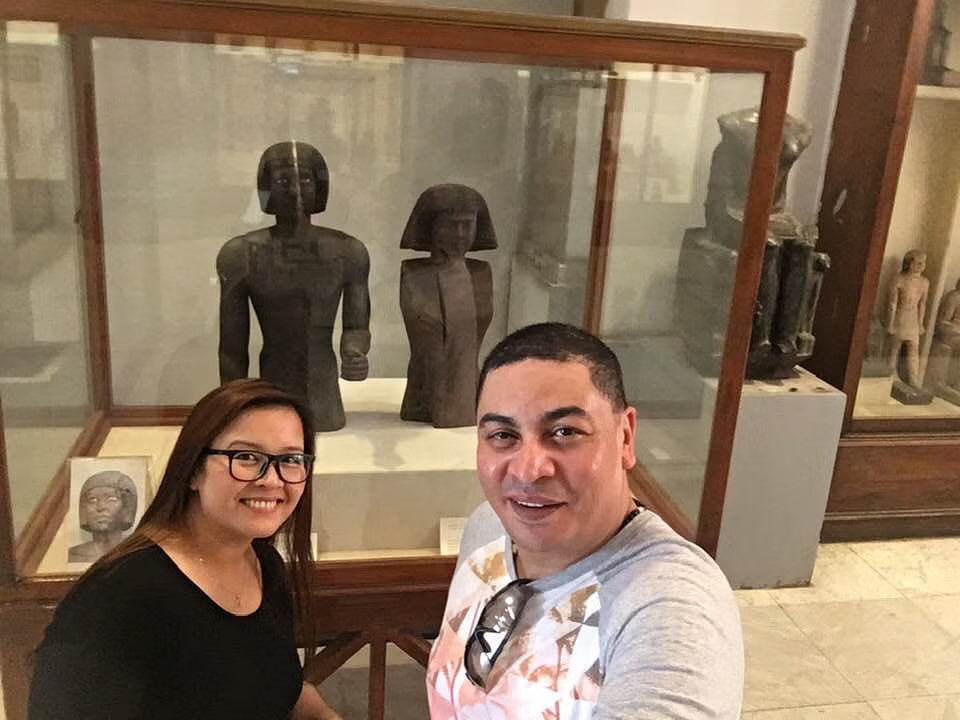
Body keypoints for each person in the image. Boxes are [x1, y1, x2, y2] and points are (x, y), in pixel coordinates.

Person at [426, 323, 743, 719]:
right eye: (503, 435)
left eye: (564, 432)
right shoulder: (489, 526)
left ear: (625, 437)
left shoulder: (671, 605)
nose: (528, 471)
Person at [29, 379, 341, 720]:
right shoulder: (119, 595)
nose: (272, 479)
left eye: (291, 459)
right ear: (193, 470)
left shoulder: (265, 564)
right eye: (247, 457)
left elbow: (274, 687)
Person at [217, 141, 371, 432]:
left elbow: (357, 325)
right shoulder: (240, 254)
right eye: (283, 181)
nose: (295, 190)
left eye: (305, 180)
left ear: (320, 187)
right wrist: (232, 406)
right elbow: (232, 347)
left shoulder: (348, 251)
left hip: (324, 392)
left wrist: (355, 351)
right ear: (266, 189)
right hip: (274, 382)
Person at [399, 183, 497, 428]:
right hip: (426, 390)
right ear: (431, 228)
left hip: (468, 388)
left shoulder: (480, 272)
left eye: (467, 225)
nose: (460, 234)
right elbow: (427, 340)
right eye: (451, 225)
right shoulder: (415, 274)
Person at [67, 471, 138, 563]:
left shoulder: (137, 552)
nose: (101, 507)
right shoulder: (73, 555)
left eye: (111, 499)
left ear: (126, 507)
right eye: (92, 499)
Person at [886, 249, 930, 388]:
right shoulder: (899, 279)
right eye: (918, 262)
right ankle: (890, 374)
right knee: (894, 348)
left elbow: (922, 304)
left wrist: (920, 323)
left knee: (913, 350)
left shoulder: (924, 282)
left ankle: (913, 378)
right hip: (901, 315)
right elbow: (892, 303)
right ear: (909, 263)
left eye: (923, 263)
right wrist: (890, 323)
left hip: (913, 318)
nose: (921, 266)